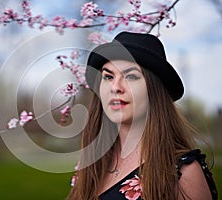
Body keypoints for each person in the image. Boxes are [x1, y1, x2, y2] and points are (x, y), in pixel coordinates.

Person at [66, 32, 218, 200]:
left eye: (131, 76)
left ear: (153, 91)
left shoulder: (182, 172)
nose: (115, 87)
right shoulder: (90, 165)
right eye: (108, 76)